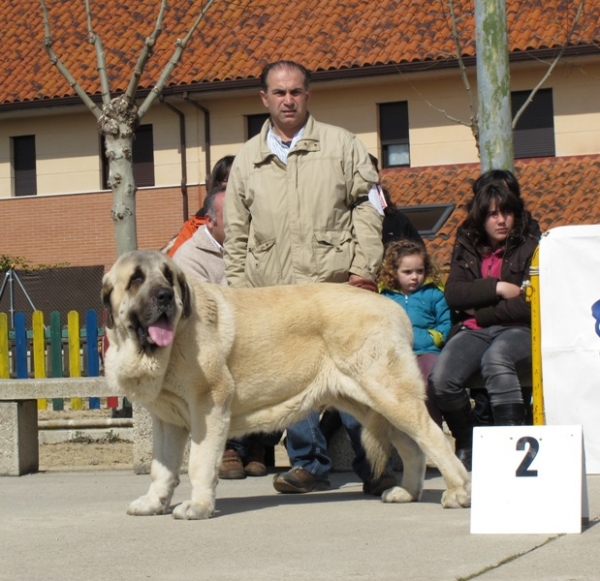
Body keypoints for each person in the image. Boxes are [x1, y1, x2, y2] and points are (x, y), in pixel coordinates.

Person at [223, 59, 396, 495]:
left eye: (295, 92)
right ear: (264, 98)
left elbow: (370, 206)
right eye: (278, 93)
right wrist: (239, 297)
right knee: (291, 384)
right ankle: (309, 466)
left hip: (336, 288)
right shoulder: (247, 160)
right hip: (273, 296)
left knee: (356, 381)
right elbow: (236, 236)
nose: (287, 100)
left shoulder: (343, 146)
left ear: (308, 94)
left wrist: (364, 269)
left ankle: (376, 466)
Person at [428, 171, 540, 471]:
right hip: (472, 331)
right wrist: (497, 288)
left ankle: (511, 445)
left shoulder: (533, 245)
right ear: (481, 218)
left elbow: (528, 303)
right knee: (441, 380)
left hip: (517, 330)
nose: (501, 220)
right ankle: (467, 441)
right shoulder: (467, 244)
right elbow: (454, 293)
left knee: (496, 359)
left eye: (506, 213)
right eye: (492, 214)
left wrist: (481, 311)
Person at [173, 186, 268, 479]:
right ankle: (228, 448)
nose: (241, 220)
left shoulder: (257, 244)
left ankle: (257, 446)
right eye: (232, 215)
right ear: (210, 220)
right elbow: (203, 308)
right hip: (209, 342)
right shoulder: (189, 255)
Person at [377, 239, 452, 426]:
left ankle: (433, 428)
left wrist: (434, 337)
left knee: (427, 383)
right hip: (395, 354)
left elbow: (446, 322)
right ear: (394, 272)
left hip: (428, 351)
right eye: (407, 272)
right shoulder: (384, 297)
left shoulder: (434, 294)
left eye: (420, 271)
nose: (414, 277)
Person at [162, 155, 234, 257]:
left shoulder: (257, 220)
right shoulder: (193, 227)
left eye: (240, 178)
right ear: (217, 184)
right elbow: (175, 263)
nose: (235, 184)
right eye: (227, 179)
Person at [368, 154, 423, 246]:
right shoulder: (342, 220)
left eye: (371, 173)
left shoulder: (397, 220)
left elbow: (419, 252)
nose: (367, 179)